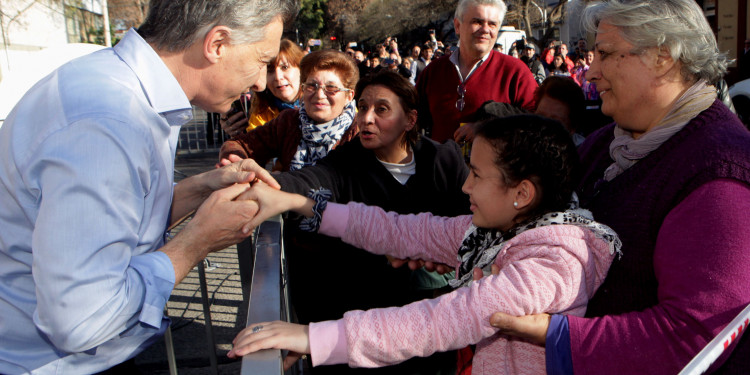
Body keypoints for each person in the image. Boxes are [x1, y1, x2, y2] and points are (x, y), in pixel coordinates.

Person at [0, 0, 297, 373]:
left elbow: (120, 216)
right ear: (217, 43)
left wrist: (200, 187)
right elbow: (82, 320)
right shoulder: (109, 120)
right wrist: (197, 241)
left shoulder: (118, 90)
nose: (259, 81)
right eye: (262, 59)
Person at [227, 115, 621, 374]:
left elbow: (437, 321)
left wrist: (314, 337)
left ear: (521, 193)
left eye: (477, 176)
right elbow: (402, 231)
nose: (465, 186)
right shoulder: (493, 233)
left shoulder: (552, 265)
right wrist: (300, 204)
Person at [487, 0, 750, 373]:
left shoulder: (721, 174)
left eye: (606, 53)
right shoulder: (605, 143)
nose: (591, 72)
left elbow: (697, 334)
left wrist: (558, 334)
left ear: (662, 56)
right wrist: (478, 245)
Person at [221, 70, 470, 374]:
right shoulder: (346, 161)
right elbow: (307, 181)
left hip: (434, 324)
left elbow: (470, 228)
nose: (366, 118)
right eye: (363, 107)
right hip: (364, 320)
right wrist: (261, 183)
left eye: (381, 109)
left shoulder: (442, 159)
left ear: (410, 119)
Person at [417, 0, 537, 144]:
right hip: (440, 165)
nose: (485, 29)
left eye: (492, 24)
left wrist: (487, 128)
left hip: (495, 165)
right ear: (457, 26)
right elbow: (411, 119)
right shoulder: (433, 71)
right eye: (477, 22)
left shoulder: (516, 72)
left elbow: (537, 124)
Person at [218, 50, 359, 172]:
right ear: (303, 88)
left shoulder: (360, 129)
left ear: (349, 96)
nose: (319, 95)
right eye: (312, 86)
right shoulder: (289, 122)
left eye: (331, 88)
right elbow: (241, 145)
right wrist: (236, 160)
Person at [221, 38, 305, 137]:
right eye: (270, 70)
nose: (278, 77)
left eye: (285, 67)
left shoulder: (320, 103)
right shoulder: (260, 112)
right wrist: (240, 138)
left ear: (301, 70)